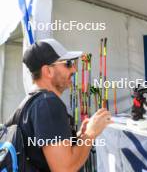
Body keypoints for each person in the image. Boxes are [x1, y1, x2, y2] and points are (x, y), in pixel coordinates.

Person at [20, 39, 112, 171]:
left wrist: (80, 136)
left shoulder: (32, 102)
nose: (74, 69)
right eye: (68, 64)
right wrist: (90, 134)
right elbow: (64, 169)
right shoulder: (47, 103)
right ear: (48, 71)